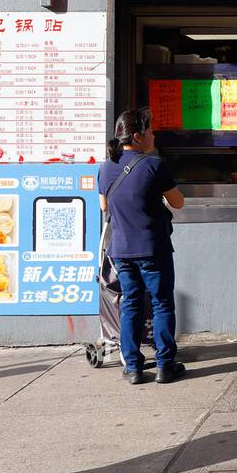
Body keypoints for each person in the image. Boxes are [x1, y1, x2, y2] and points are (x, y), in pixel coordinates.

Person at [99, 107, 186, 385]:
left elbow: (105, 206)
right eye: (149, 130)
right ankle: (164, 365)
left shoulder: (104, 167)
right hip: (153, 248)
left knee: (131, 304)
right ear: (137, 136)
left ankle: (134, 367)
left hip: (122, 250)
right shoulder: (153, 165)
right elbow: (178, 202)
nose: (153, 133)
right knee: (161, 304)